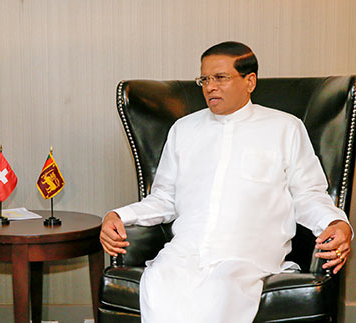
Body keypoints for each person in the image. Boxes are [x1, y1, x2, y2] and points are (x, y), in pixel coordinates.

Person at [100, 41, 353, 323]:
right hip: (185, 253)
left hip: (246, 256)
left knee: (221, 290)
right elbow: (164, 199)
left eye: (220, 78)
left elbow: (307, 194)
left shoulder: (285, 128)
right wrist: (119, 215)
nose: (210, 87)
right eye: (204, 79)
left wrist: (335, 223)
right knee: (159, 286)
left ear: (250, 82)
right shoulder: (183, 129)